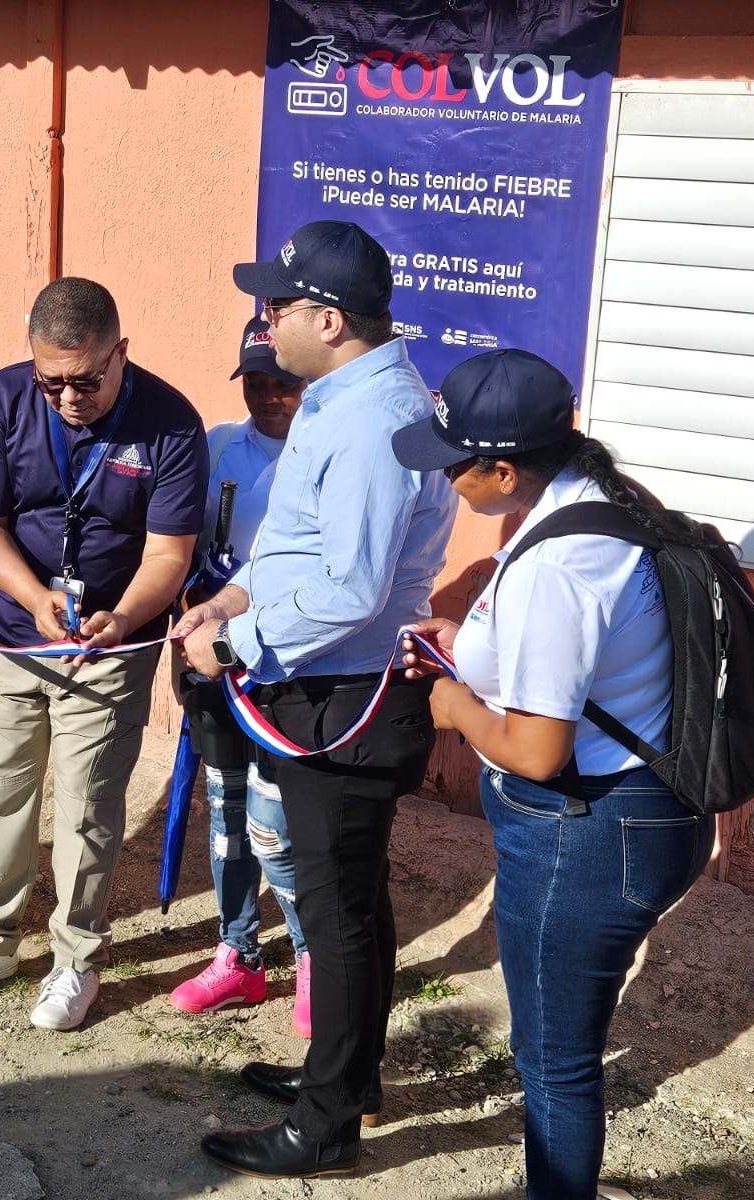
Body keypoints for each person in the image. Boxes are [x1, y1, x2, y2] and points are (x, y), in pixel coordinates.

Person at [392, 348, 716, 1199]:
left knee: (555, 1061)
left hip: (589, 833)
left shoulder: (557, 569)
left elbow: (538, 751)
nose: (446, 478)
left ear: (503, 469)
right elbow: (585, 662)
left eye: (454, 464)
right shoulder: (593, 507)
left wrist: (455, 707)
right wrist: (468, 644)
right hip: (639, 815)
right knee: (560, 1047)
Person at [178, 220, 458, 1179]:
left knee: (337, 911)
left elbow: (351, 588)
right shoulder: (345, 399)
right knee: (352, 901)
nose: (267, 319)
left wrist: (234, 641)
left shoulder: (376, 420)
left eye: (279, 305)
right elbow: (298, 547)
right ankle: (347, 1077)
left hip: (345, 694)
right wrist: (232, 593)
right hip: (325, 682)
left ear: (329, 320)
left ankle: (327, 1125)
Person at [0, 277, 207, 1032]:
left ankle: (75, 959)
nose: (69, 398)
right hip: (14, 638)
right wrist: (32, 597)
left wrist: (122, 617)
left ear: (122, 353)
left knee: (86, 812)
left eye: (87, 380)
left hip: (109, 648)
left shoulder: (171, 423)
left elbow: (169, 551)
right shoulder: (3, 400)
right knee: (1, 797)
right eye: (53, 382)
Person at [168, 317, 312, 1031]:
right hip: (213, 660)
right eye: (254, 381)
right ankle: (239, 954)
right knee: (225, 813)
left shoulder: (328, 457)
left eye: (281, 382)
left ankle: (313, 957)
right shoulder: (221, 444)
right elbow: (181, 543)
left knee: (277, 824)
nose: (266, 396)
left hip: (288, 665)